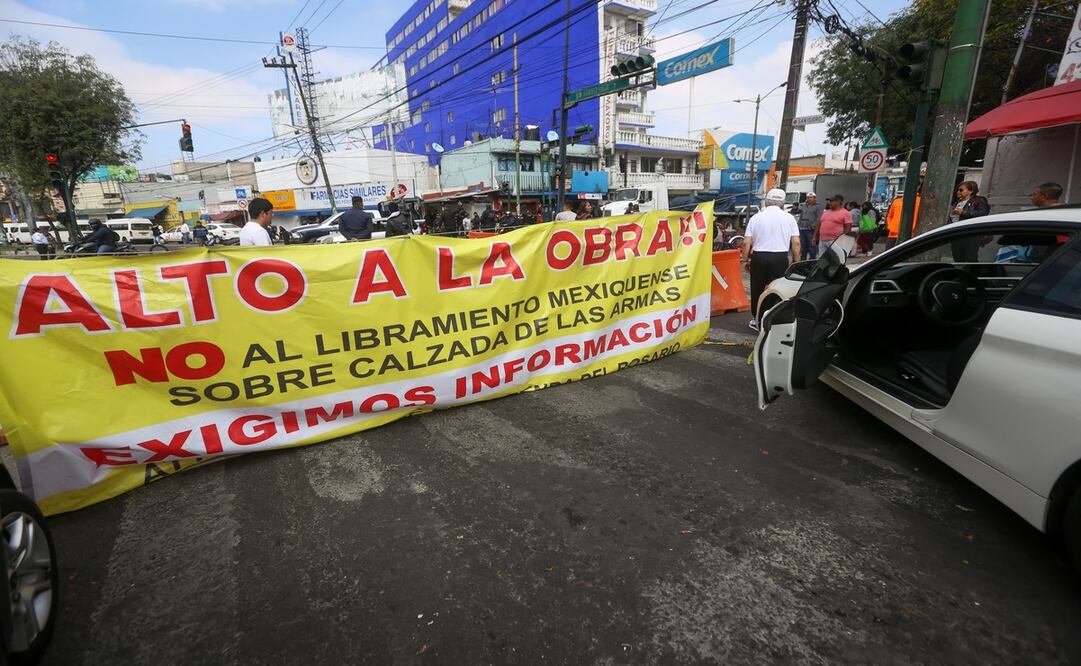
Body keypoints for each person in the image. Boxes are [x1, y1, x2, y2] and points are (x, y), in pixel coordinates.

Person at [742, 188, 800, 331]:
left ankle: (757, 320)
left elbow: (746, 243)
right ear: (782, 202)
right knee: (777, 288)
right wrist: (796, 261)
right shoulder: (789, 218)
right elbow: (796, 243)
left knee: (757, 288)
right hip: (780, 257)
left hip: (759, 257)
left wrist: (745, 261)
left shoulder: (756, 218)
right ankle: (775, 320)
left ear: (767, 201)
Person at [950, 180, 990, 262]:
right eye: (958, 190)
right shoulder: (957, 203)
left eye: (961, 190)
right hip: (956, 234)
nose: (958, 192)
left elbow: (982, 214)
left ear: (970, 191)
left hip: (970, 235)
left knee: (970, 257)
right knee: (957, 257)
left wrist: (963, 212)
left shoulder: (979, 201)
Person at [796, 192, 822, 260]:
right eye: (808, 197)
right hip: (802, 228)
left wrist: (812, 225)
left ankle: (812, 259)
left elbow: (819, 218)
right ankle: (803, 258)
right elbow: (801, 216)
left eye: (811, 197)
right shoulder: (804, 206)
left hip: (811, 229)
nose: (809, 199)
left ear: (814, 198)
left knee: (811, 244)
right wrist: (798, 225)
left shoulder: (818, 206)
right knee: (803, 244)